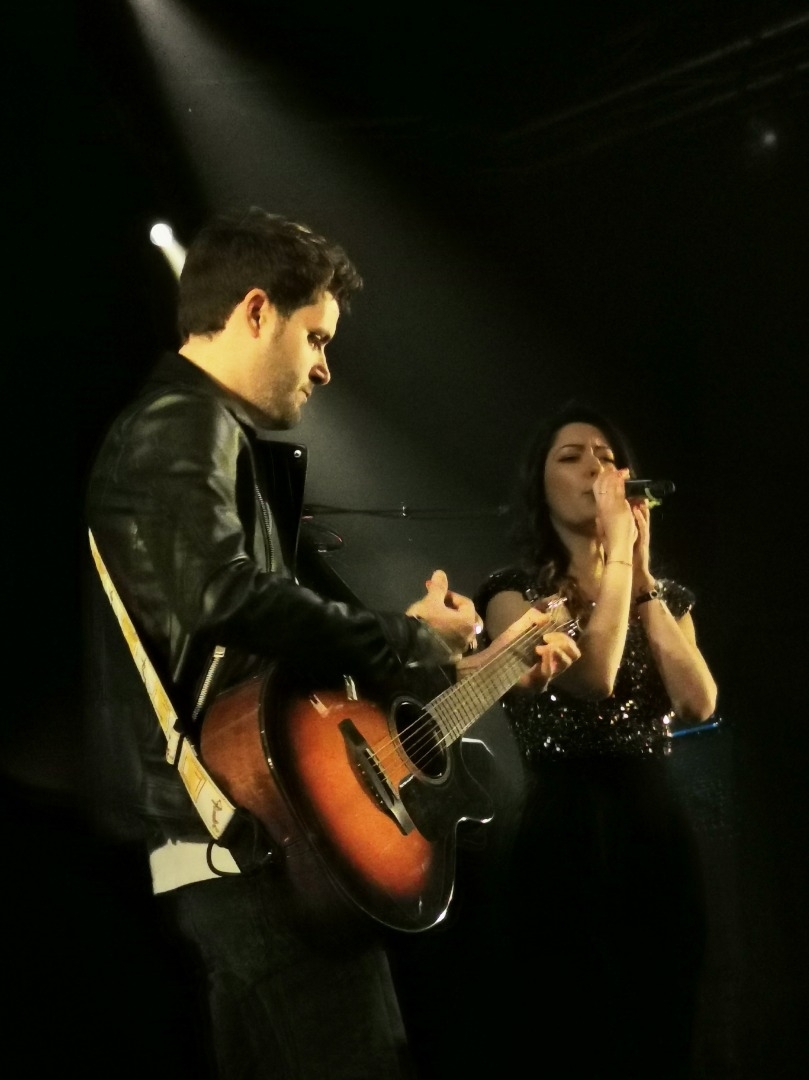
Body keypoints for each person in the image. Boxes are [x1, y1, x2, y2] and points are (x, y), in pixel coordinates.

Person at [82, 206, 580, 1080]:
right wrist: (406, 635)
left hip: (254, 856)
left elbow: (256, 657)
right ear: (254, 311)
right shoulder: (182, 422)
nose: (324, 366)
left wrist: (448, 659)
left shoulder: (202, 434)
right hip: (253, 858)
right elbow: (222, 594)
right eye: (315, 336)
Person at [470, 402, 719, 1079]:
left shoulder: (663, 597)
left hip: (652, 822)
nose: (595, 468)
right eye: (572, 456)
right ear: (540, 485)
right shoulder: (512, 596)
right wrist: (615, 564)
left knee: (661, 1020)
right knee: (571, 1025)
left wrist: (642, 580)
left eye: (607, 457)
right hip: (562, 824)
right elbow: (594, 678)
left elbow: (698, 701)